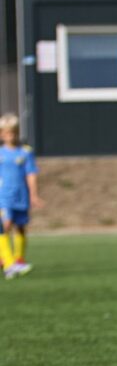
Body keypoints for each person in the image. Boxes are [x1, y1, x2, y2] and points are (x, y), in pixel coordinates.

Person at [0, 114, 41, 279]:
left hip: (21, 195)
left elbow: (31, 174)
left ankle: (18, 259)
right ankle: (8, 263)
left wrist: (34, 195)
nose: (10, 136)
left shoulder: (25, 152)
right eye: (7, 132)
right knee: (5, 224)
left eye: (13, 132)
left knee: (20, 227)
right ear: (1, 134)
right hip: (4, 196)